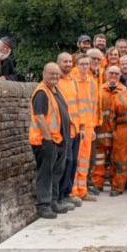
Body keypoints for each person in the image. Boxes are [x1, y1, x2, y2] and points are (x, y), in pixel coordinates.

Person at [29, 63, 71, 218]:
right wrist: (48, 140)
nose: (54, 77)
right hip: (46, 142)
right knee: (45, 173)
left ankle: (53, 201)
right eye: (51, 74)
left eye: (56, 74)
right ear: (44, 74)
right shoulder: (41, 93)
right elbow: (39, 118)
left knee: (56, 173)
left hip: (58, 140)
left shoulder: (55, 90)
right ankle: (43, 205)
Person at [90, 66, 125, 194]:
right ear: (106, 74)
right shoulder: (99, 90)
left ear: (120, 75)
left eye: (116, 73)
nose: (113, 75)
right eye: (111, 73)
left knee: (116, 160)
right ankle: (97, 184)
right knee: (99, 159)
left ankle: (116, 186)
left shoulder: (124, 91)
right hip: (101, 132)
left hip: (117, 133)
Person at [70, 55, 98, 202]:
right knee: (75, 159)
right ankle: (73, 192)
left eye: (87, 64)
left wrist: (92, 127)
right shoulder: (72, 79)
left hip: (87, 127)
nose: (85, 66)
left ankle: (83, 190)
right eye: (82, 64)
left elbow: (93, 107)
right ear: (77, 64)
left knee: (84, 161)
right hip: (76, 126)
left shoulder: (91, 81)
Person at [56, 53, 82, 209]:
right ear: (58, 63)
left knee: (72, 163)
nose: (67, 64)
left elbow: (77, 105)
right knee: (65, 162)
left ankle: (67, 193)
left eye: (69, 61)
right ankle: (60, 196)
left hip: (75, 128)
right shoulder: (56, 81)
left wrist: (82, 127)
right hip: (63, 129)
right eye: (64, 61)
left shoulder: (73, 81)